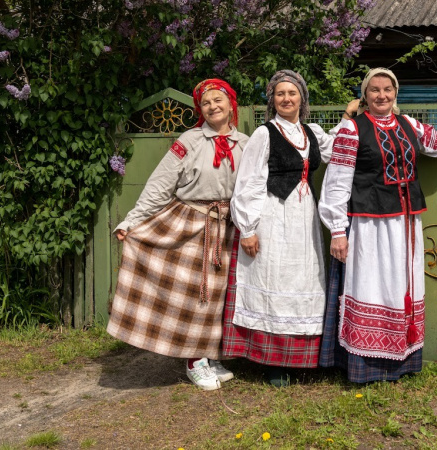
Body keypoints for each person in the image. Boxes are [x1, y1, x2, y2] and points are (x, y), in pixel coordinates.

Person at [318, 67, 437, 383]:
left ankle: (400, 362)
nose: (382, 95)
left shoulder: (408, 125)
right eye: (375, 90)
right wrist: (338, 230)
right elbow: (337, 182)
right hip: (369, 225)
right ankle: (364, 366)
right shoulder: (352, 130)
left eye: (388, 89)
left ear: (395, 93)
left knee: (401, 287)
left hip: (406, 224)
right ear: (365, 95)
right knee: (371, 285)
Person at [107, 78, 249, 391]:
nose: (212, 106)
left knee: (219, 297)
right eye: (206, 103)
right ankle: (192, 361)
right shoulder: (190, 139)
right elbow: (161, 183)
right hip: (191, 224)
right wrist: (131, 221)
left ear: (231, 104)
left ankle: (210, 354)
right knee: (195, 295)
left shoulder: (247, 144)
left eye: (218, 100)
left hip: (228, 227)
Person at [224, 70, 358, 386]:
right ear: (272, 100)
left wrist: (349, 116)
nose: (287, 98)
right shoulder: (263, 133)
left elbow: (334, 147)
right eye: (280, 94)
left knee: (303, 280)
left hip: (304, 217)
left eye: (292, 93)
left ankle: (301, 359)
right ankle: (273, 362)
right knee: (274, 277)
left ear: (302, 98)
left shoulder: (310, 131)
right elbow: (249, 181)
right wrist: (248, 228)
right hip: (273, 214)